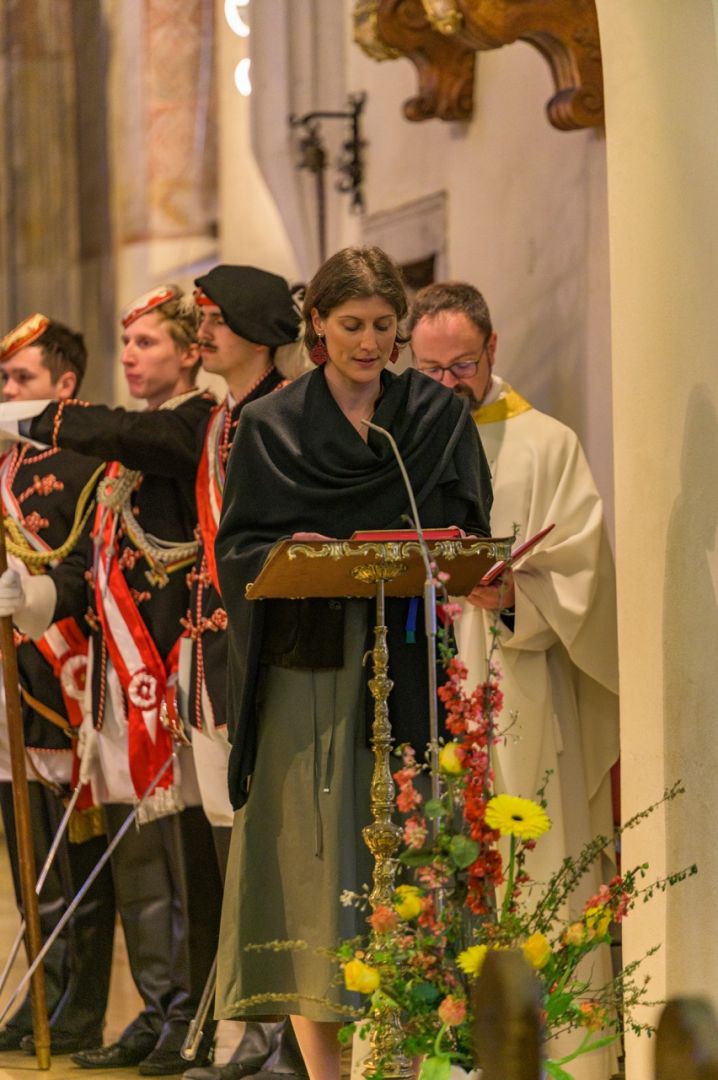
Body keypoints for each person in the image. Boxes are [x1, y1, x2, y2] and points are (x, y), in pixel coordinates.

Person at [214, 247, 493, 1080]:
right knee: (315, 868)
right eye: (351, 327)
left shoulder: (434, 420)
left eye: (382, 326)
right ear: (317, 327)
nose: (369, 343)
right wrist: (285, 553)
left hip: (407, 655)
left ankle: (406, 1064)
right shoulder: (272, 426)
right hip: (309, 673)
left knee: (409, 864)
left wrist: (481, 569)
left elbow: (469, 523)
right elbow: (238, 550)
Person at [0, 286, 222, 1075]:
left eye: (148, 343)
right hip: (122, 685)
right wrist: (35, 596)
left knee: (184, 858)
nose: (129, 356)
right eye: (125, 342)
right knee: (136, 856)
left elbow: (131, 437)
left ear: (194, 351)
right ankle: (159, 1009)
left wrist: (27, 418)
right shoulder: (127, 455)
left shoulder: (194, 426)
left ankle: (194, 1012)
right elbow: (90, 569)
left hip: (176, 677)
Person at [408, 281, 620, 893]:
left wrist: (513, 601)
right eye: (431, 370)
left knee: (526, 864)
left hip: (515, 677)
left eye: (463, 365)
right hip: (421, 675)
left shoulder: (547, 444)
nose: (448, 384)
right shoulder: (393, 445)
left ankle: (535, 989)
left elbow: (585, 571)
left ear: (493, 348)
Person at [180, 264, 308, 1080]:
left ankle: (294, 1040)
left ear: (258, 330)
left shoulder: (287, 415)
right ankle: (255, 1032)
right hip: (214, 662)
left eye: (215, 320)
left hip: (270, 657)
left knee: (276, 853)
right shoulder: (223, 418)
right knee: (234, 856)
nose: (203, 334)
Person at [0, 315, 116, 1055]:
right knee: (22, 855)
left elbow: (81, 578)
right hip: (5, 684)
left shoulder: (84, 465)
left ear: (64, 386)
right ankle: (41, 986)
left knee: (68, 859)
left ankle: (78, 1002)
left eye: (23, 381)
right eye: (3, 381)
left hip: (56, 681)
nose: (7, 393)